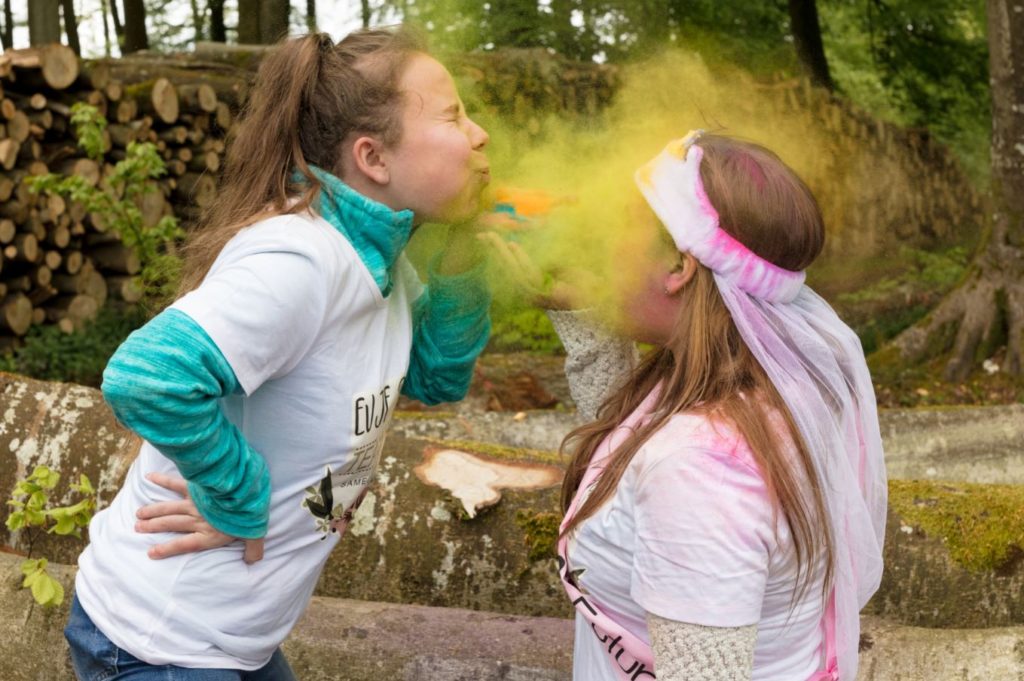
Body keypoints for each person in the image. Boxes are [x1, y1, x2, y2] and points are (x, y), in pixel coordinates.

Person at [66, 27, 493, 680]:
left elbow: (437, 381)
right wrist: (237, 497)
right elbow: (148, 377)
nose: (480, 133)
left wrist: (464, 253)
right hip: (160, 640)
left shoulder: (389, 270)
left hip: (235, 639)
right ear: (373, 158)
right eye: (454, 114)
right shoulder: (302, 259)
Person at [486, 130, 886, 680]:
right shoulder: (742, 389)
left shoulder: (702, 468)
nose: (594, 239)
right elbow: (632, 470)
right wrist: (589, 318)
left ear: (678, 265)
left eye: (617, 222)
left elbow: (677, 484)